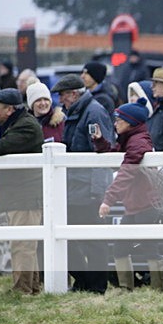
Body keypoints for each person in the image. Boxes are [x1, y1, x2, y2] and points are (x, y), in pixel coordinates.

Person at [94, 98, 163, 291]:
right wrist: (100, 142)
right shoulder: (130, 140)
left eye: (118, 120)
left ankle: (156, 290)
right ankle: (128, 288)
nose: (115, 123)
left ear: (130, 123)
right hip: (135, 204)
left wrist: (108, 199)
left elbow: (125, 172)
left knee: (149, 248)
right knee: (121, 247)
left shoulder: (138, 142)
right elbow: (115, 157)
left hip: (146, 204)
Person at [51, 74, 115, 294]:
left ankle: (96, 287)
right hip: (76, 188)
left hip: (87, 190)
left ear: (73, 94)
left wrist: (97, 193)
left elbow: (101, 155)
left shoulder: (93, 113)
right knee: (72, 239)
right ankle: (87, 282)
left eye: (62, 95)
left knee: (92, 241)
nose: (60, 101)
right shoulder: (80, 112)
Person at [0, 89, 43, 294]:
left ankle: (22, 289)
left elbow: (4, 146)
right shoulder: (17, 123)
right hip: (21, 194)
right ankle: (31, 287)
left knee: (22, 243)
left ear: (10, 108)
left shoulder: (25, 127)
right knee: (24, 242)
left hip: (25, 195)